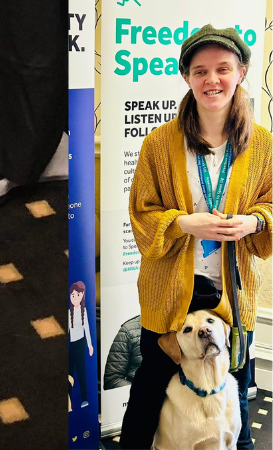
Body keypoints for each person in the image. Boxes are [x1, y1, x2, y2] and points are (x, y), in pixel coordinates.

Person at [122, 24, 271, 449]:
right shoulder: (159, 143)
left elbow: (272, 204)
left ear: (240, 72)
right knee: (149, 389)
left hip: (231, 288)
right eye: (200, 71)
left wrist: (253, 223)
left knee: (236, 387)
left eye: (223, 69)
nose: (212, 80)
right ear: (187, 77)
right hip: (170, 289)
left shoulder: (261, 145)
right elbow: (141, 212)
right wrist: (185, 223)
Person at [68, 281, 93, 408]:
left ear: (82, 295)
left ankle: (84, 399)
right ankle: (68, 398)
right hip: (72, 344)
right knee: (69, 372)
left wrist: (90, 345)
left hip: (81, 343)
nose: (74, 297)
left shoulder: (83, 311)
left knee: (81, 371)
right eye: (72, 295)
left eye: (77, 295)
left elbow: (87, 329)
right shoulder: (69, 312)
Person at [103, 315, 142, 390]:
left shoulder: (171, 332)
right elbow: (112, 380)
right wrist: (140, 392)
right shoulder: (129, 330)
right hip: (141, 398)